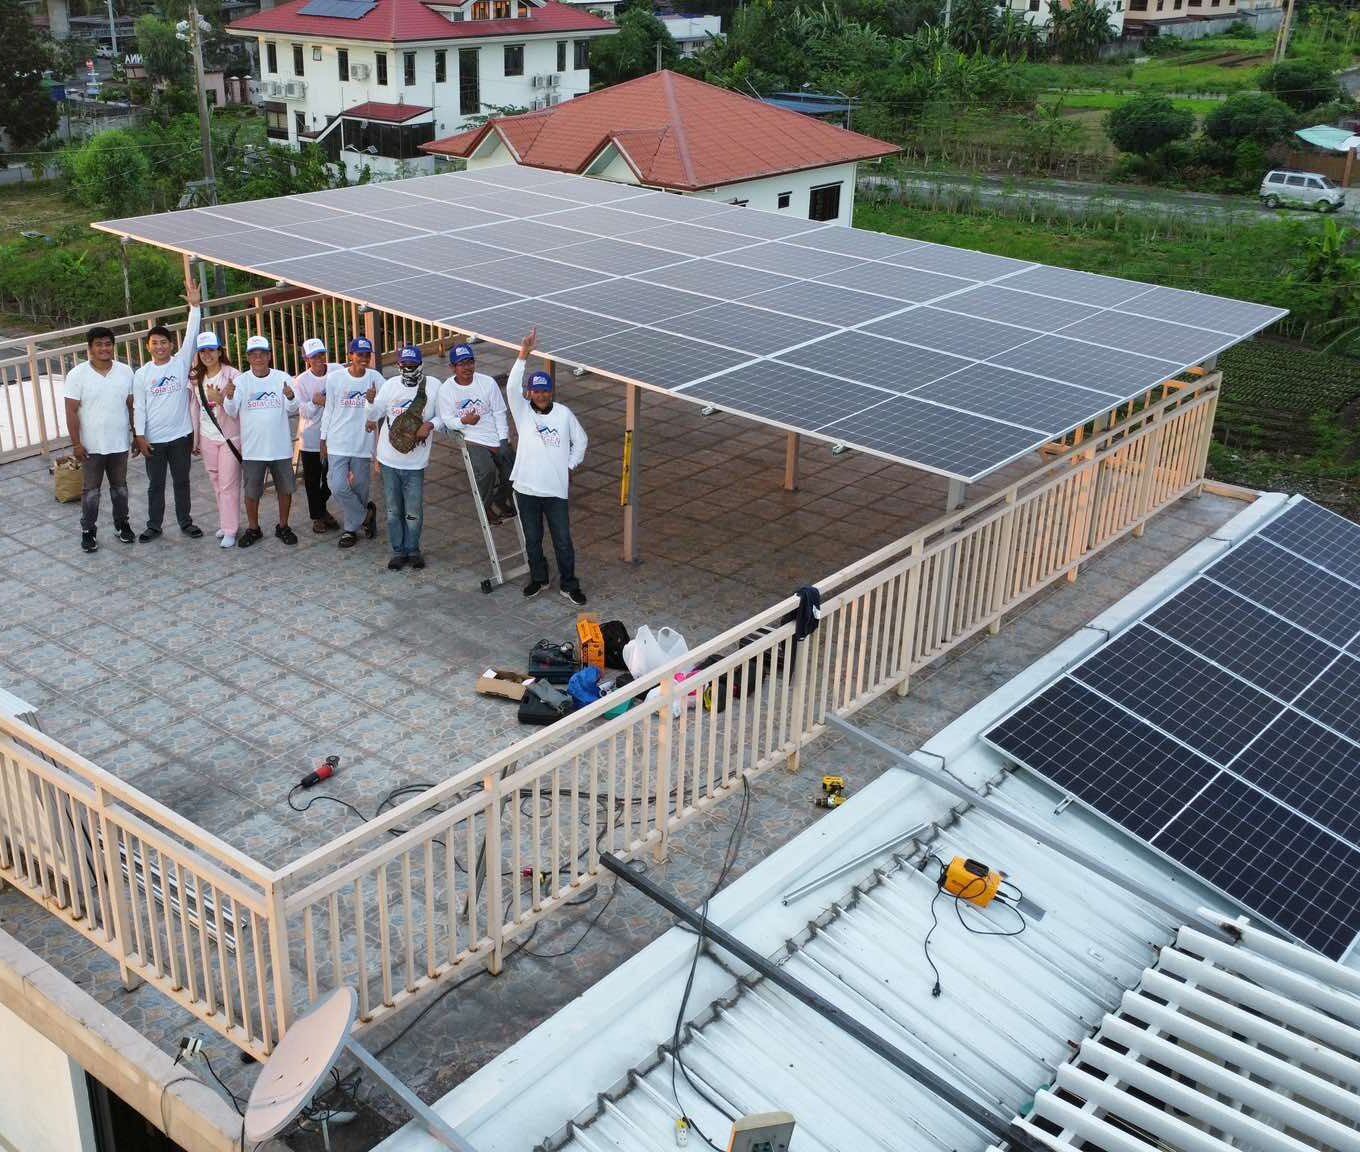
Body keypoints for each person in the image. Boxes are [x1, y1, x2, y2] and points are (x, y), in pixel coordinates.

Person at [506, 329, 588, 604]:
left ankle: (569, 584)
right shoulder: (522, 412)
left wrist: (570, 465)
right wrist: (523, 355)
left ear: (551, 392)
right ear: (529, 393)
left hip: (555, 491)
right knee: (532, 539)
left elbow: (581, 440)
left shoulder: (564, 414)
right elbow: (511, 387)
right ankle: (539, 578)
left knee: (563, 540)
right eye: (536, 391)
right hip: (526, 489)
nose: (540, 395)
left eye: (545, 391)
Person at [132, 280, 203, 542]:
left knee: (182, 482)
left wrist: (195, 307)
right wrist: (140, 436)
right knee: (156, 485)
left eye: (164, 342)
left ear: (171, 345)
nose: (160, 347)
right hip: (154, 440)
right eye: (155, 343)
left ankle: (186, 522)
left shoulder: (181, 363)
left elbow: (192, 335)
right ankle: (154, 525)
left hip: (181, 436)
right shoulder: (142, 374)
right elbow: (139, 407)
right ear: (148, 346)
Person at [63, 326, 137, 553]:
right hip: (91, 447)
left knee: (120, 488)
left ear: (113, 347)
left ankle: (122, 524)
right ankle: (88, 530)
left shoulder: (125, 371)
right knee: (91, 492)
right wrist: (76, 443)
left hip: (119, 444)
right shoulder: (77, 375)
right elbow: (71, 411)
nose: (104, 348)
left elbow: (132, 406)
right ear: (90, 349)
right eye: (98, 345)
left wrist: (136, 435)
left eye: (108, 344)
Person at [222, 335, 300, 548]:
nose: (258, 358)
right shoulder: (241, 381)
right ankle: (253, 528)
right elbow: (231, 411)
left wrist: (290, 396)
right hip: (253, 449)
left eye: (262, 354)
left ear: (269, 356)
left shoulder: (282, 377)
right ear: (248, 358)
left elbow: (293, 409)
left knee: (285, 490)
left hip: (280, 448)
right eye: (253, 354)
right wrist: (229, 397)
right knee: (251, 492)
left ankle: (283, 526)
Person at [368, 345, 438, 571]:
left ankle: (413, 549)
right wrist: (370, 402)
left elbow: (444, 416)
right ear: (399, 365)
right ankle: (398, 551)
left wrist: (430, 424)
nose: (409, 368)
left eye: (413, 364)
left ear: (420, 364)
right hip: (389, 461)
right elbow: (374, 415)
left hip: (416, 463)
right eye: (405, 364)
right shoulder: (390, 386)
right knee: (393, 511)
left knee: (413, 512)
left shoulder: (434, 387)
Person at [435, 342, 515, 523]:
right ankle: (485, 506)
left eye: (470, 362)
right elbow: (447, 420)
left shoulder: (488, 382)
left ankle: (500, 500)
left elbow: (499, 413)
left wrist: (504, 440)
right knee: (486, 471)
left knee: (514, 470)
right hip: (472, 438)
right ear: (452, 368)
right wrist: (464, 421)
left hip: (495, 436)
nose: (467, 367)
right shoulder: (446, 390)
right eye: (462, 364)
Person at [321, 337, 381, 550]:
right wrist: (323, 439)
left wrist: (373, 404)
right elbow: (329, 409)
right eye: (359, 354)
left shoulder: (375, 378)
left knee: (359, 487)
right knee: (336, 486)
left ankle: (350, 529)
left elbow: (382, 408)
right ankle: (365, 516)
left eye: (367, 354)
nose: (363, 358)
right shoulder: (335, 379)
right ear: (350, 355)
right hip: (337, 441)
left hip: (362, 443)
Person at [189, 331, 242, 549]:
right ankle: (226, 522)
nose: (207, 355)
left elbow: (237, 409)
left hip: (229, 437)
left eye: (211, 350)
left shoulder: (233, 375)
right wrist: (195, 439)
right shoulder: (196, 378)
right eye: (202, 351)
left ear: (220, 352)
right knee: (216, 482)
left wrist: (220, 399)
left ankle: (230, 529)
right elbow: (194, 408)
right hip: (207, 436)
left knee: (228, 484)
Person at [293, 336, 342, 535]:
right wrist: (315, 403)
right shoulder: (300, 381)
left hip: (336, 435)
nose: (319, 359)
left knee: (333, 478)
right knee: (312, 480)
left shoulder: (337, 370)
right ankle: (318, 516)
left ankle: (321, 511)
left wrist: (326, 402)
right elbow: (303, 411)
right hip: (311, 438)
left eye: (321, 354)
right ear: (306, 359)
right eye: (313, 356)